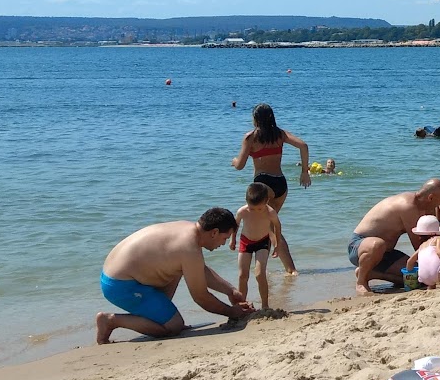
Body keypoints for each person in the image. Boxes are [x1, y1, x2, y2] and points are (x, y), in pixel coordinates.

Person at [96, 209, 252, 344]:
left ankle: (161, 316)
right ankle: (110, 321)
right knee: (174, 326)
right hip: (120, 285)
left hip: (120, 275)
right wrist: (232, 312)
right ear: (214, 232)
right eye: (225, 238)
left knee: (178, 270)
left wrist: (231, 291)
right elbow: (201, 297)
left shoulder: (188, 229)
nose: (224, 243)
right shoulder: (188, 248)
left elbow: (198, 269)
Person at [231, 103, 310, 274]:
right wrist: (304, 172)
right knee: (269, 225)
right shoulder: (279, 134)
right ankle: (266, 268)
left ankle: (291, 269)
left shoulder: (251, 137)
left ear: (255, 119)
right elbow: (303, 145)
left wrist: (234, 161)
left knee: (270, 227)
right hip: (281, 183)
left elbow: (240, 165)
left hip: (263, 184)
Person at [349, 179, 440, 294]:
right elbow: (420, 246)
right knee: (377, 244)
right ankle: (361, 282)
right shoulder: (408, 207)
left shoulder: (421, 207)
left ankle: (372, 274)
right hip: (359, 246)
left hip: (387, 254)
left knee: (415, 278)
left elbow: (428, 240)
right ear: (430, 198)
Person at [233, 182, 283, 312]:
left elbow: (277, 226)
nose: (255, 211)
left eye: (259, 208)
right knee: (242, 275)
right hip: (245, 241)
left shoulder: (270, 212)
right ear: (246, 202)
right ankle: (242, 305)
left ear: (266, 201)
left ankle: (265, 305)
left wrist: (277, 245)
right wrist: (233, 240)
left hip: (263, 241)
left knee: (260, 274)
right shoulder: (242, 211)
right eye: (252, 208)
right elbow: (235, 225)